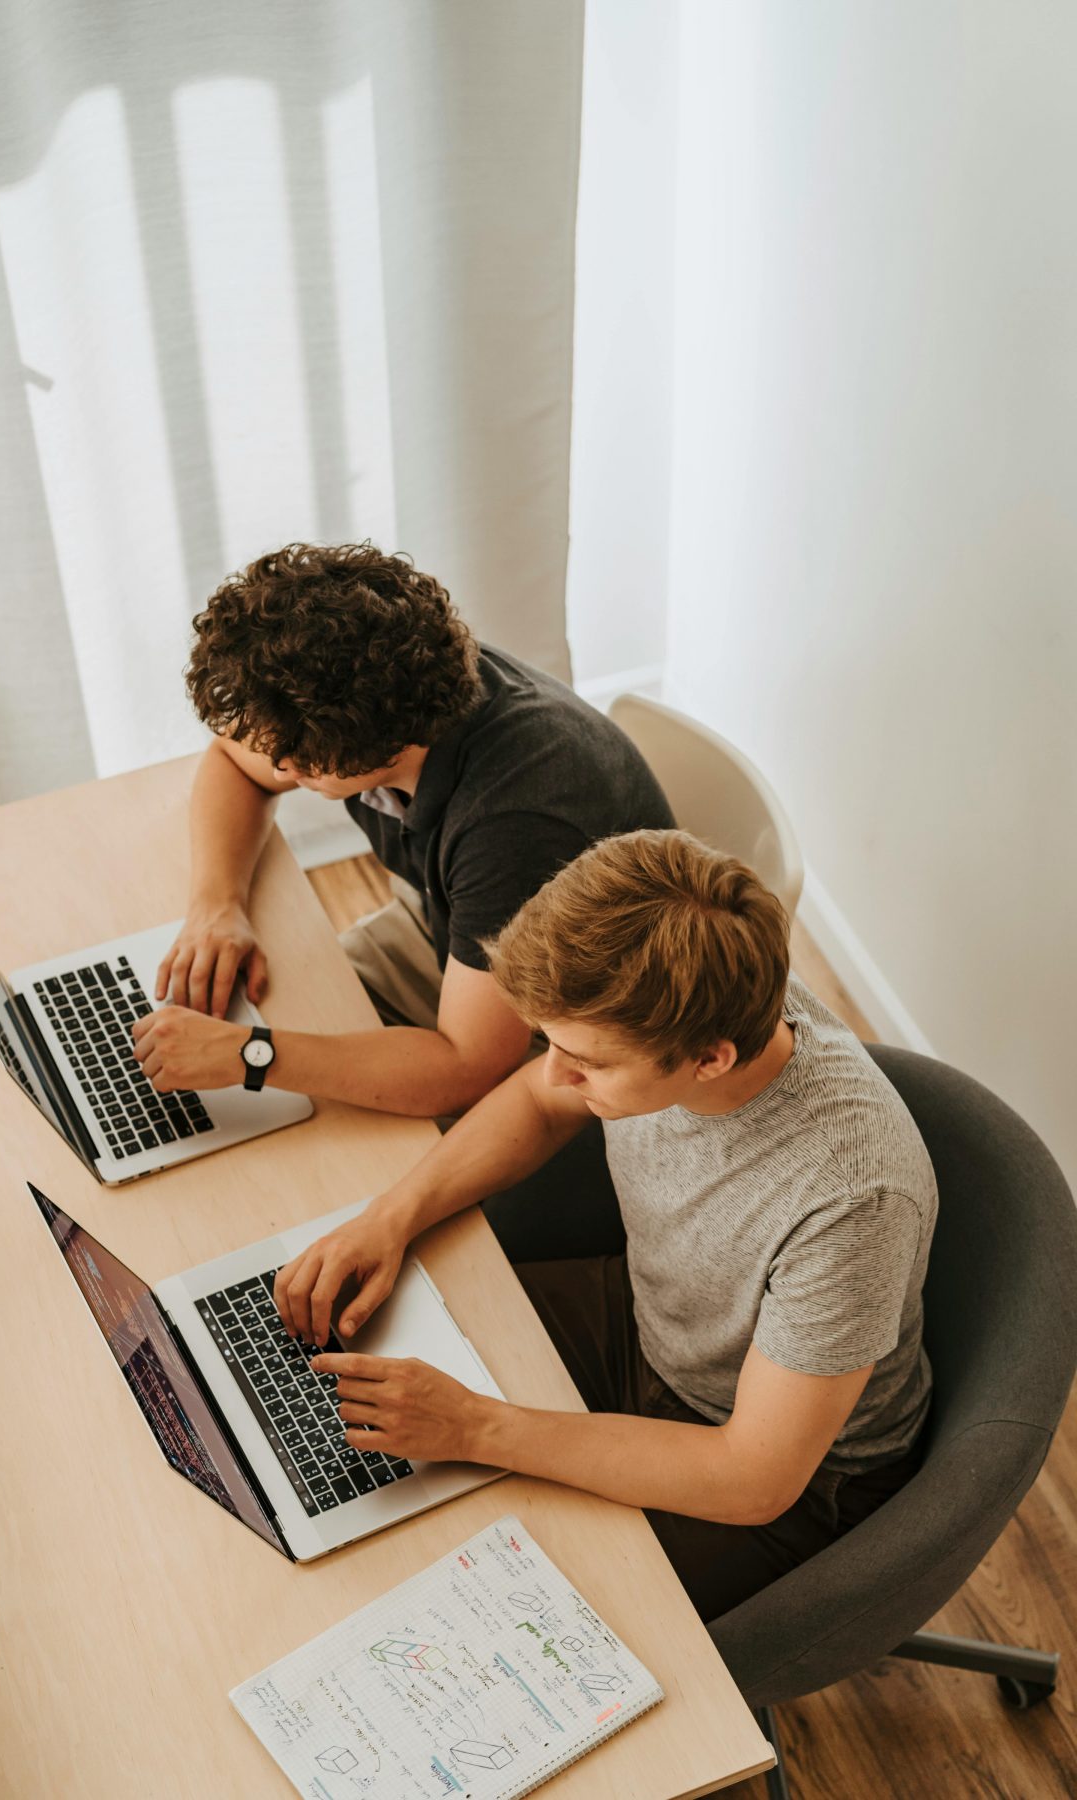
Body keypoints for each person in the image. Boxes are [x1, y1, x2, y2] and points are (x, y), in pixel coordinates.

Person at [275, 829, 939, 1625]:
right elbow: (535, 1099)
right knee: (339, 1383)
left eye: (585, 1060)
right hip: (650, 1322)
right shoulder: (690, 999)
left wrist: (478, 1426)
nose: (556, 1073)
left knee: (485, 1609)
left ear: (712, 1060)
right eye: (551, 1042)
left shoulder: (851, 1200)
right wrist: (386, 1221)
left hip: (777, 1467)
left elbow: (752, 1476)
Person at [130, 541, 672, 1121]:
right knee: (260, 1034)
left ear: (370, 745)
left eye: (294, 759)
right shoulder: (403, 672)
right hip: (450, 934)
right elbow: (233, 762)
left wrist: (252, 1056)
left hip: (572, 1027)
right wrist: (217, 906)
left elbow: (465, 1066)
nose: (281, 769)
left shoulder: (516, 827)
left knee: (290, 1112)